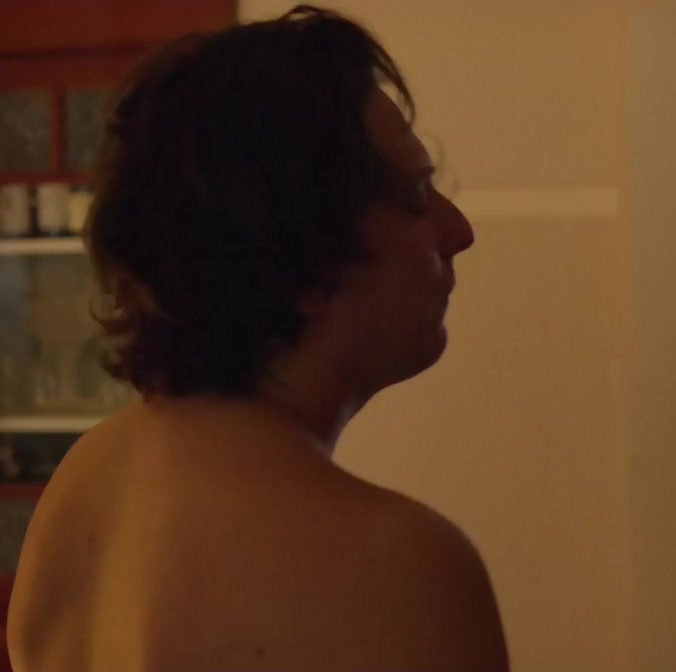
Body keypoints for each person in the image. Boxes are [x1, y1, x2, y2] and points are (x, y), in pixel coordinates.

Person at [7, 6, 508, 671]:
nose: (458, 232)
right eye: (416, 195)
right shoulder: (398, 565)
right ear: (310, 259)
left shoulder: (87, 484)